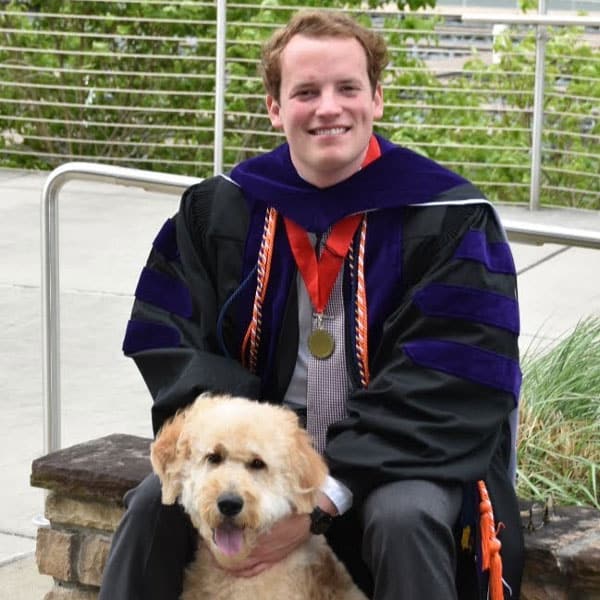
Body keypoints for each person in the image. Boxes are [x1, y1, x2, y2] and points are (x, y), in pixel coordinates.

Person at [99, 10, 524, 600]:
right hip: (259, 464)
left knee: (407, 517)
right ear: (276, 107)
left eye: (347, 88)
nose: (329, 108)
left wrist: (320, 494)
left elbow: (454, 379)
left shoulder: (449, 220)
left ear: (376, 97)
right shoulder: (221, 210)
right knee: (153, 506)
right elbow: (173, 342)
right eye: (306, 92)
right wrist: (254, 466)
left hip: (396, 462)